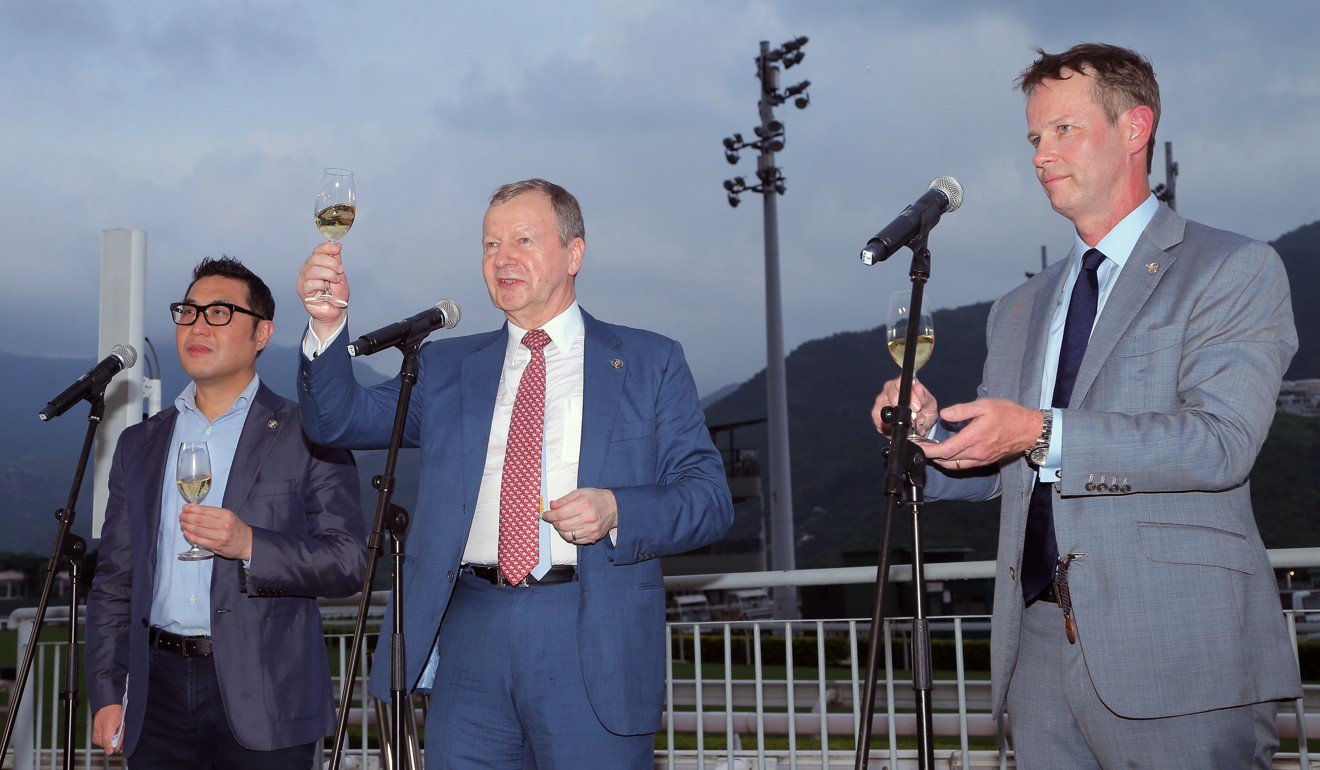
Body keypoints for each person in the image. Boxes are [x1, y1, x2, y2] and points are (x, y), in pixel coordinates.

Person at [873, 44, 1300, 768]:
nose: (1042, 154)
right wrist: (931, 434)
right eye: (1035, 138)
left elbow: (1220, 443)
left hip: (1178, 657)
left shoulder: (1232, 268)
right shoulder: (1016, 308)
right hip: (1036, 657)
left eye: (1064, 130)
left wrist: (1039, 430)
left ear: (1136, 129)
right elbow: (1001, 462)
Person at [295, 178, 734, 769]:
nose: (502, 259)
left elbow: (708, 498)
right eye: (489, 245)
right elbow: (336, 421)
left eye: (523, 240)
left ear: (574, 253)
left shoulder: (650, 362)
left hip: (589, 630)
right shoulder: (446, 366)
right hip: (470, 633)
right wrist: (326, 326)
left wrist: (617, 508)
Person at [85, 257, 367, 768]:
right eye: (188, 312)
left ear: (262, 333)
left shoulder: (310, 432)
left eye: (219, 313)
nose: (197, 325)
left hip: (266, 693)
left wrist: (250, 546)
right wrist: (106, 690)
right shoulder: (140, 443)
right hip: (157, 695)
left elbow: (347, 561)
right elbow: (115, 578)